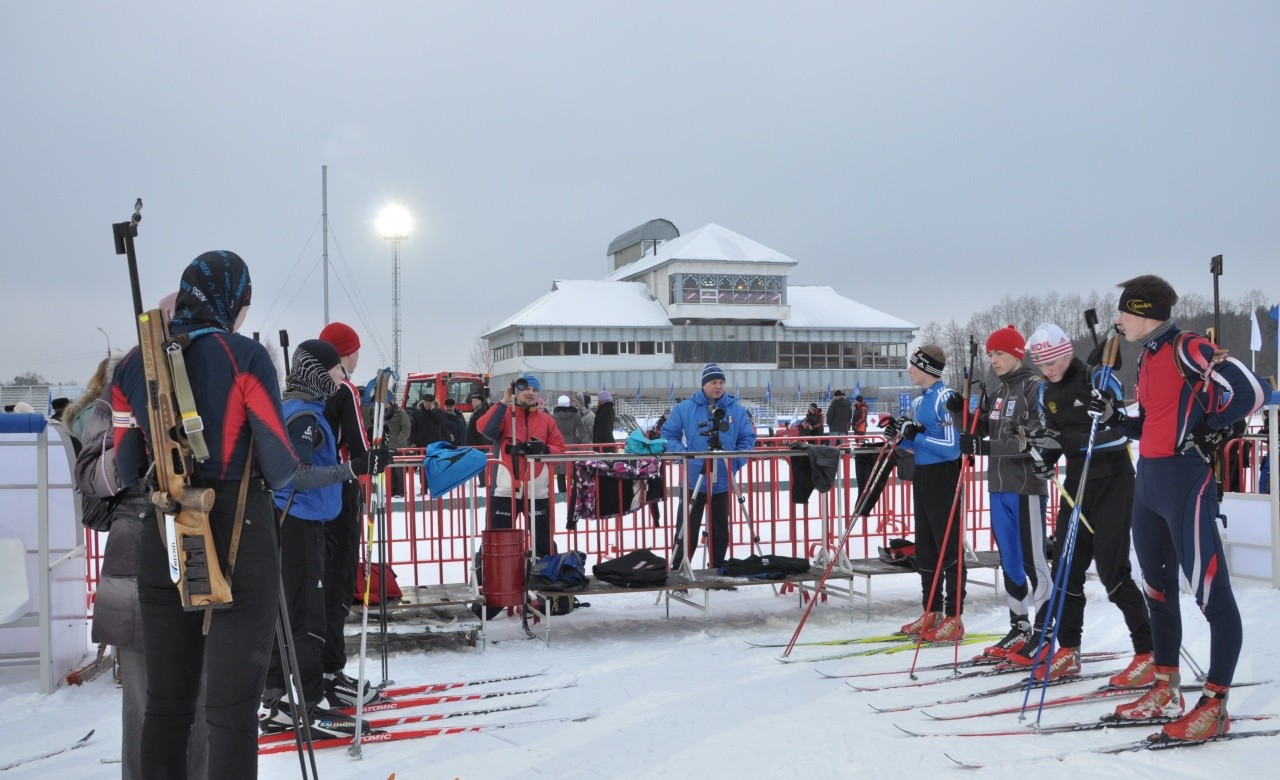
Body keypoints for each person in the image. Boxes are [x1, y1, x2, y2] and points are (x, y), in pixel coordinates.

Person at [111, 251, 299, 778]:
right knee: (232, 713)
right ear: (234, 300)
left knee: (167, 707)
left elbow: (128, 469)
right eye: (244, 303)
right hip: (239, 533)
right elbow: (282, 467)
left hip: (166, 534)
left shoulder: (133, 364)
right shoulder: (246, 357)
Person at [1090, 275, 1270, 741]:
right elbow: (1150, 423)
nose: (1118, 319)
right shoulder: (1148, 356)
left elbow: (1250, 390)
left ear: (1146, 311)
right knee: (1157, 589)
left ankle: (1215, 703)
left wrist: (1214, 425)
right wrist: (1115, 417)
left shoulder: (1185, 346)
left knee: (1212, 594)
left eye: (1124, 311)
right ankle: (1166, 685)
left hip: (1185, 484)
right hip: (1149, 482)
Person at [76, 346, 209, 780]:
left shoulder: (209, 377)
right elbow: (91, 476)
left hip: (199, 549)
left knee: (205, 698)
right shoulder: (120, 390)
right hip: (135, 560)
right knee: (143, 700)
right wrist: (131, 436)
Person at [1009, 323, 1153, 685]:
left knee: (1113, 572)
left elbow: (1118, 432)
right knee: (1066, 570)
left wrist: (1071, 436)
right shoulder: (1044, 392)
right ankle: (1069, 650)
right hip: (1077, 484)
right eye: (1042, 363)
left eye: (1054, 361)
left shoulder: (1099, 379)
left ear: (1067, 351)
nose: (1049, 369)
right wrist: (1044, 458)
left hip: (1113, 480)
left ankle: (1148, 653)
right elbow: (1056, 441)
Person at [260, 340, 386, 737]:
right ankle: (310, 705)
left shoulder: (302, 408)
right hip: (297, 523)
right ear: (316, 372)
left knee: (290, 613)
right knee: (307, 617)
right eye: (337, 372)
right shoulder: (304, 418)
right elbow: (294, 474)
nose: (342, 379)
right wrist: (351, 470)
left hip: (296, 522)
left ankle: (277, 700)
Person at [966, 325, 1051, 660]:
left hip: (1026, 486)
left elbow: (1030, 438)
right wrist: (968, 417)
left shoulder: (1034, 387)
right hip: (998, 486)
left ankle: (1045, 634)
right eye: (990, 355)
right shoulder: (1000, 391)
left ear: (1017, 353)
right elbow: (987, 428)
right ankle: (1020, 626)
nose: (994, 360)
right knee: (1010, 562)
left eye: (999, 353)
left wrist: (984, 446)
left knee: (1034, 563)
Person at [884, 345, 965, 642]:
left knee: (948, 544)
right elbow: (917, 447)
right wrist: (899, 439)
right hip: (923, 475)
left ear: (927, 368)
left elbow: (952, 447)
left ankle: (954, 616)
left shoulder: (945, 398)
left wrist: (916, 434)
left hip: (945, 476)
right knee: (926, 545)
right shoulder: (919, 403)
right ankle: (931, 610)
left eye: (913, 365)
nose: (908, 370)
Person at [316, 321, 377, 708]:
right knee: (338, 580)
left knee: (314, 581)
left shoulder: (302, 385)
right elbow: (358, 448)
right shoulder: (343, 387)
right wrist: (374, 457)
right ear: (346, 353)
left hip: (306, 493)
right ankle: (329, 671)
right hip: (339, 490)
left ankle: (313, 670)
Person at [660, 363, 757, 569]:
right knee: (687, 529)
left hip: (722, 479)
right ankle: (679, 570)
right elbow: (668, 435)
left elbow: (748, 438)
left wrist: (735, 462)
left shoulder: (735, 409)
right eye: (713, 382)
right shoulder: (685, 408)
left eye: (721, 382)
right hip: (694, 479)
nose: (718, 386)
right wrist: (685, 456)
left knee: (720, 530)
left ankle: (717, 570)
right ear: (704, 384)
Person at [477, 374, 566, 557]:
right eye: (526, 389)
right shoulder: (505, 415)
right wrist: (503, 401)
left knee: (544, 543)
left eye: (534, 390)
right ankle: (495, 577)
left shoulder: (546, 421)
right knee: (497, 542)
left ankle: (545, 575)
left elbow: (559, 450)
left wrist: (545, 450)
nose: (530, 393)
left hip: (537, 492)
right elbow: (484, 429)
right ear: (517, 391)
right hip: (504, 490)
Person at [552, 394, 590, 493]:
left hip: (559, 444)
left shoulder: (554, 416)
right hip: (572, 443)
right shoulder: (575, 415)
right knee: (571, 470)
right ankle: (571, 494)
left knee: (560, 473)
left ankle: (562, 496)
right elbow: (582, 433)